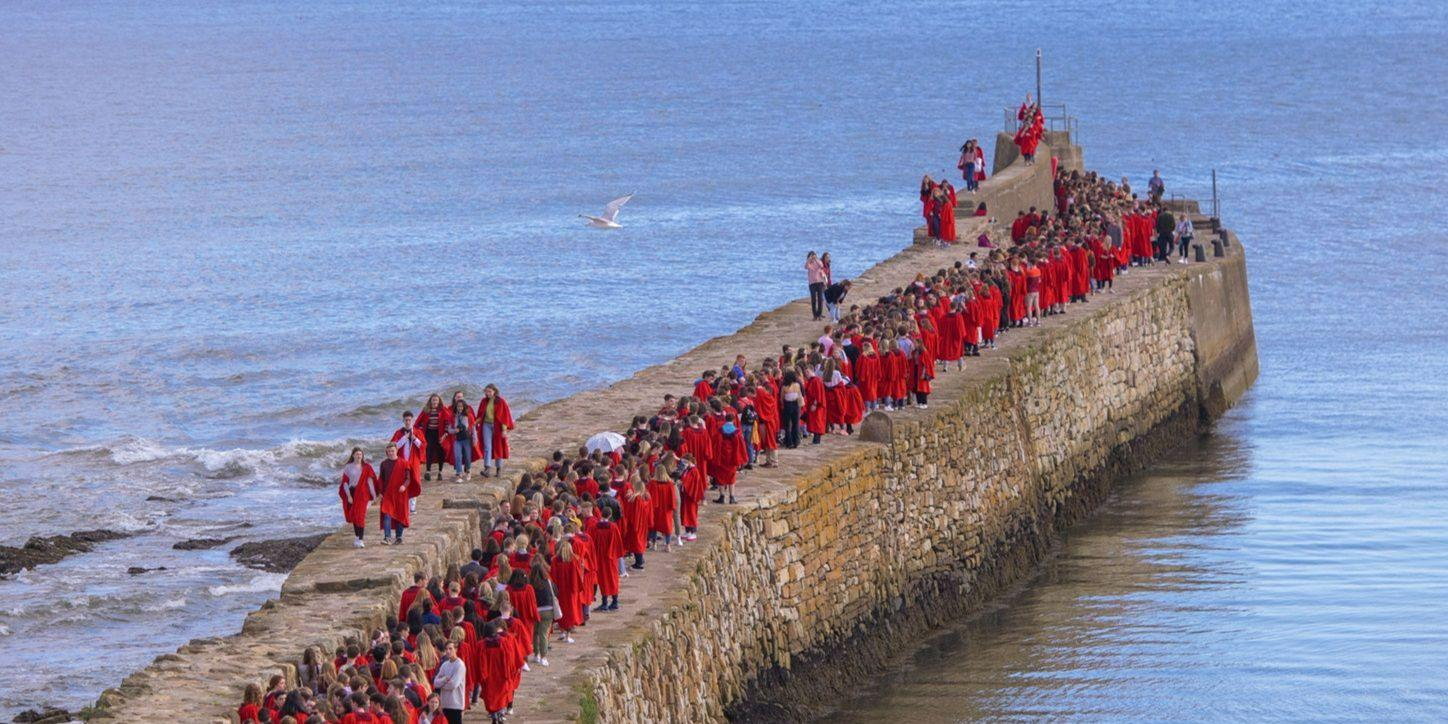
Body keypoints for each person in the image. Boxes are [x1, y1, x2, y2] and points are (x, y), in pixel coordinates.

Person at [378, 442, 416, 545]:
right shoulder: (384, 464)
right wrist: (380, 492)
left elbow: (408, 478)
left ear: (397, 450)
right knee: (387, 514)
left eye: (392, 451)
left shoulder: (404, 463)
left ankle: (399, 537)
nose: (390, 453)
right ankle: (387, 537)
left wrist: (404, 486)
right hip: (388, 494)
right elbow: (381, 479)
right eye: (389, 451)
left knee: (400, 514)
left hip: (400, 493)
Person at [339, 447, 377, 549]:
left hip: (363, 493)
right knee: (355, 516)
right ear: (353, 455)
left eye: (360, 454)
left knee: (361, 515)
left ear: (362, 455)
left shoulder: (367, 467)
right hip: (352, 492)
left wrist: (374, 495)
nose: (359, 456)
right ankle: (357, 537)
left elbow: (370, 482)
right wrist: (349, 496)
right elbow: (345, 483)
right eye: (357, 454)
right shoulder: (348, 467)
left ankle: (361, 539)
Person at [475, 384, 515, 478]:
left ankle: (498, 469)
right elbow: (480, 415)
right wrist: (473, 423)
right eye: (486, 391)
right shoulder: (483, 401)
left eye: (490, 391)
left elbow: (504, 417)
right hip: (486, 425)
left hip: (497, 426)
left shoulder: (501, 402)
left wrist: (504, 430)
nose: (488, 393)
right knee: (487, 446)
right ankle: (487, 469)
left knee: (498, 446)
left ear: (494, 391)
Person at [390, 411, 425, 512]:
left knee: (414, 482)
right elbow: (393, 447)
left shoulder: (418, 432)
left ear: (412, 420)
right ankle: (402, 505)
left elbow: (423, 446)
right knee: (402, 483)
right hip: (401, 462)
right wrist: (405, 438)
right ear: (403, 421)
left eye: (409, 420)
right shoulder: (399, 433)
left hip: (414, 462)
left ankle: (412, 508)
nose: (408, 422)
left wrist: (415, 439)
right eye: (406, 420)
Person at [414, 394, 449, 483]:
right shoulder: (426, 410)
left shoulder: (443, 410)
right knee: (429, 450)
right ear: (430, 401)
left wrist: (445, 435)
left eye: (436, 400)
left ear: (439, 401)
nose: (435, 402)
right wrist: (420, 432)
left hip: (440, 433)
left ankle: (440, 472)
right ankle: (428, 471)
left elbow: (448, 423)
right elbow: (418, 423)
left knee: (440, 452)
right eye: (433, 400)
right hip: (429, 433)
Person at [443, 394, 478, 481]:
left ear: (464, 407)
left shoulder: (469, 416)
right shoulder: (453, 417)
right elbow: (449, 429)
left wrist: (475, 439)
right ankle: (459, 474)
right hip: (457, 439)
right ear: (456, 407)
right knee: (458, 456)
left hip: (467, 439)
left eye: (461, 406)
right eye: (458, 406)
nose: (460, 408)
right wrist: (454, 431)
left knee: (467, 456)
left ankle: (468, 471)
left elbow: (473, 428)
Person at [431, 640, 466, 724]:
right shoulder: (445, 665)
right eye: (446, 649)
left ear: (456, 649)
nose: (448, 651)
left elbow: (453, 684)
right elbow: (435, 683)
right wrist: (444, 680)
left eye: (450, 649)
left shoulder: (459, 665)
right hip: (445, 704)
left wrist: (441, 684)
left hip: (456, 705)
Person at [805, 251, 826, 320]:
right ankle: (815, 315)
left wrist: (816, 259)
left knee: (820, 299)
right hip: (812, 284)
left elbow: (821, 265)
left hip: (820, 282)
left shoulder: (818, 261)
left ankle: (819, 314)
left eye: (814, 255)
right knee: (813, 299)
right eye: (811, 256)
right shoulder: (809, 263)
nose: (813, 257)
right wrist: (809, 259)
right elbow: (805, 267)